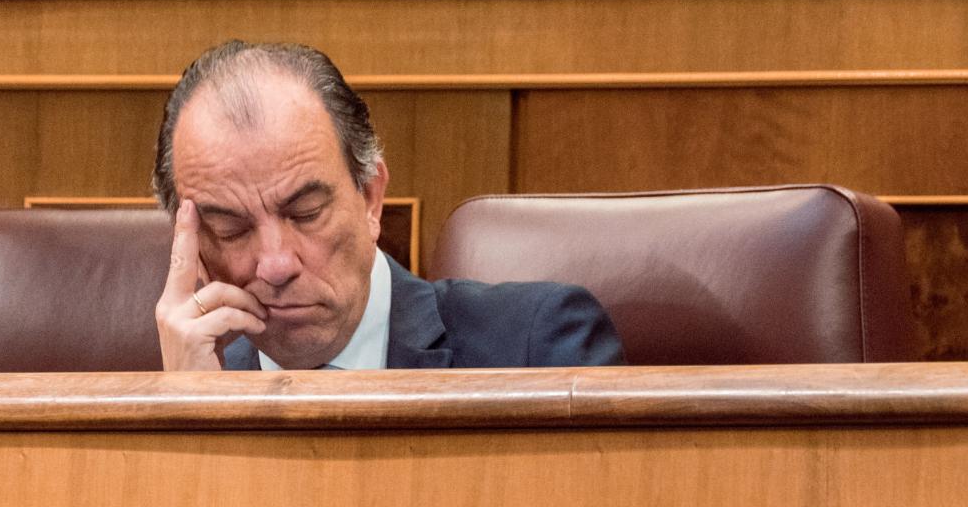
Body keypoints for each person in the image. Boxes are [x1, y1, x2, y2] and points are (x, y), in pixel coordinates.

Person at [152, 40, 624, 371]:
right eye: (233, 231)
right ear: (192, 249)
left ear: (371, 198)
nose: (276, 265)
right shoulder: (198, 387)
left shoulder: (535, 347)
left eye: (306, 213)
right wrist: (192, 421)